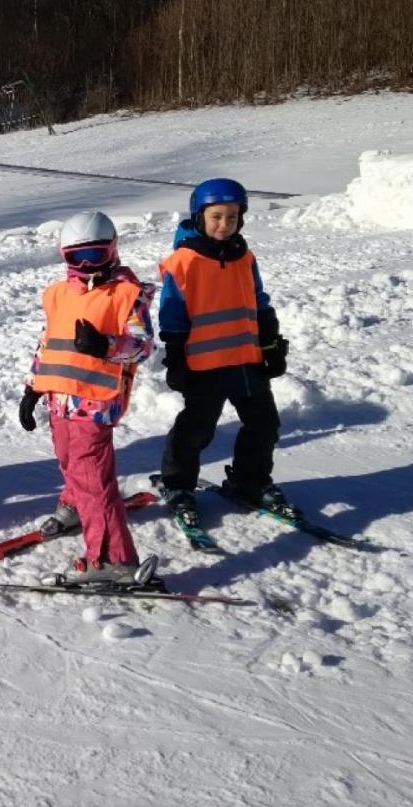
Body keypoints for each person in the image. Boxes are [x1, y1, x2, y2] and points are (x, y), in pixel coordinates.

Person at [20, 212, 158, 586]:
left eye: (94, 256)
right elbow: (48, 344)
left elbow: (143, 347)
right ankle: (74, 506)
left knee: (93, 480)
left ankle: (114, 559)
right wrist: (32, 387)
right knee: (69, 461)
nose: (85, 266)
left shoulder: (126, 295)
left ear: (112, 250)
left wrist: (106, 345)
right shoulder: (59, 294)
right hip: (59, 399)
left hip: (95, 402)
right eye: (75, 258)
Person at [156, 178, 294, 528]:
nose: (225, 224)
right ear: (200, 216)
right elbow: (172, 315)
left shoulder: (244, 257)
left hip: (246, 361)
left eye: (232, 217)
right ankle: (178, 486)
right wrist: (175, 356)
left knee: (264, 425)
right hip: (204, 367)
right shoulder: (183, 262)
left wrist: (271, 341)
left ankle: (251, 480)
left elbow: (258, 301)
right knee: (196, 431)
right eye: (217, 216)